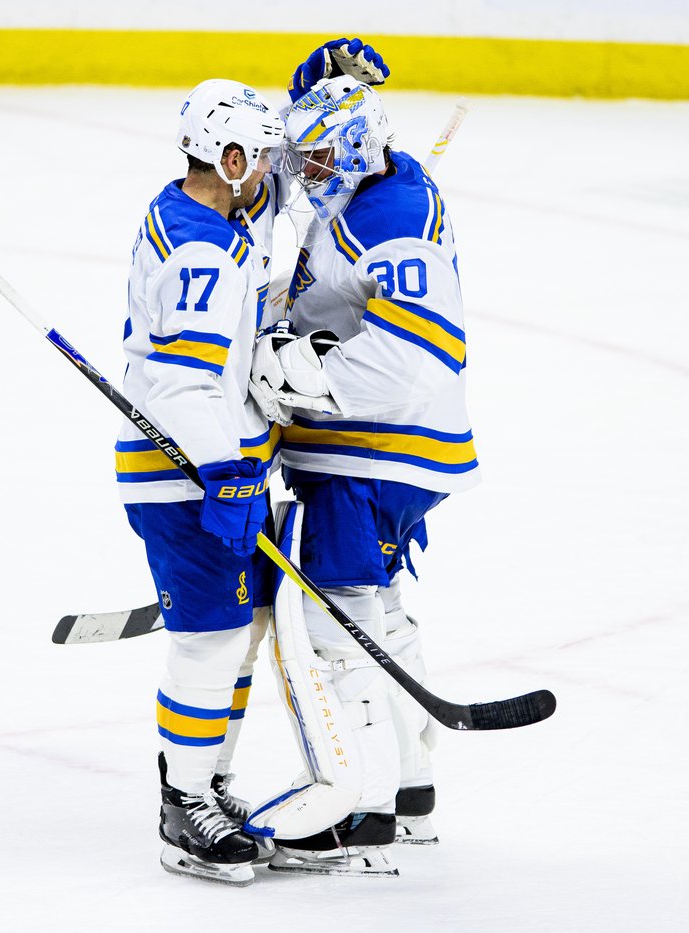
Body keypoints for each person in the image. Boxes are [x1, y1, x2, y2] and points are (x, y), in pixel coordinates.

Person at [247, 71, 478, 873]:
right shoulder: (378, 189)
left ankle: (361, 805)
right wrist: (286, 313)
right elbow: (341, 297)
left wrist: (302, 375)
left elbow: (419, 355)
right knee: (377, 606)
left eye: (316, 156)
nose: (304, 171)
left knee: (332, 622)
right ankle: (409, 789)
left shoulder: (395, 221)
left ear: (352, 146)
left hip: (372, 452)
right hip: (395, 453)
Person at [118, 77, 286, 886]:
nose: (269, 169)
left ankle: (208, 781)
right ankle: (184, 805)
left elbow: (273, 197)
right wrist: (224, 473)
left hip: (218, 469)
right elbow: (182, 386)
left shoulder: (204, 211)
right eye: (257, 155)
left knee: (238, 630)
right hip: (184, 475)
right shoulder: (201, 250)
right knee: (211, 636)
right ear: (228, 156)